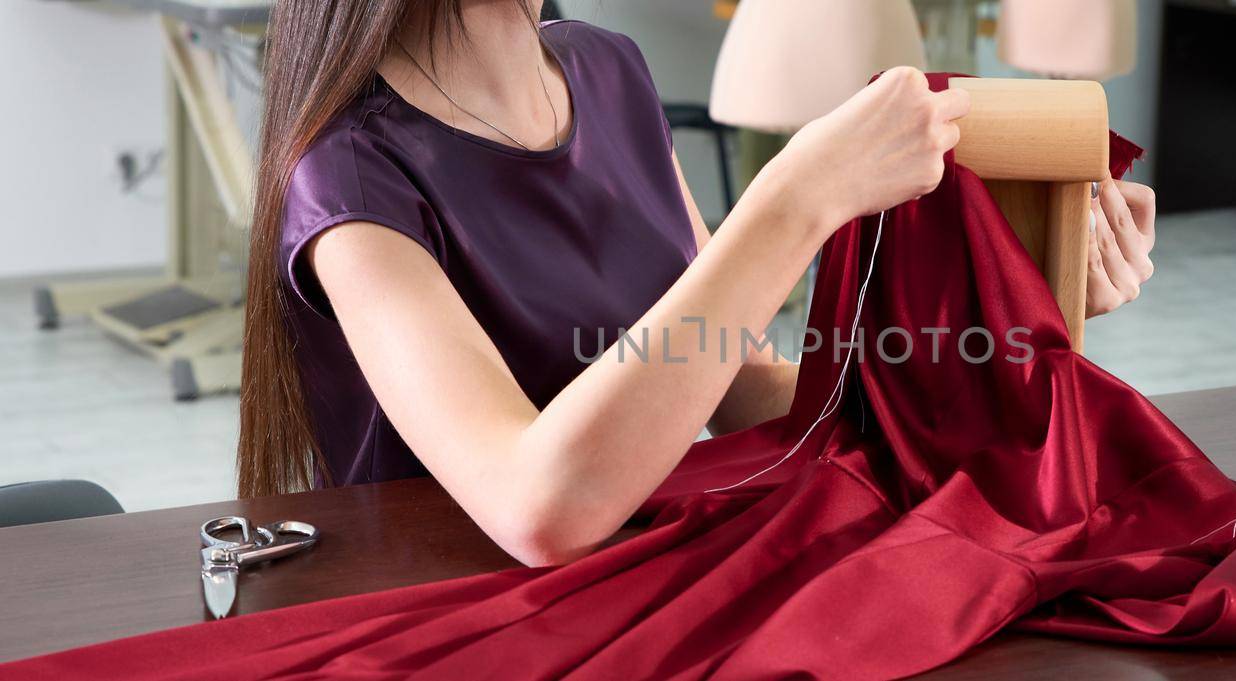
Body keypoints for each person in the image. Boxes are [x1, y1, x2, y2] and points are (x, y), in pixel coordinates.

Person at [238, 0, 1157, 567]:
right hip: (463, 612)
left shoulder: (607, 69)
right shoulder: (349, 179)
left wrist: (1015, 305)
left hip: (648, 566)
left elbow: (738, 382)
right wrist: (796, 200)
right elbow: (537, 509)